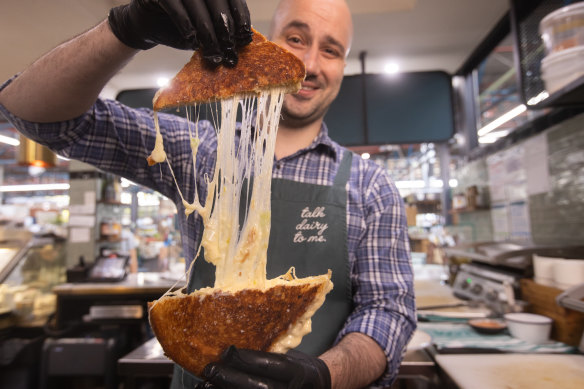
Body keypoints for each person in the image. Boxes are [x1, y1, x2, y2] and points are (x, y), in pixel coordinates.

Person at [0, 0, 416, 388]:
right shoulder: (197, 152)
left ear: (344, 65)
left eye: (331, 50)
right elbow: (37, 118)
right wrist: (125, 29)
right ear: (268, 43)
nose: (308, 64)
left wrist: (325, 375)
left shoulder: (369, 185)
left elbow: (389, 311)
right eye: (296, 38)